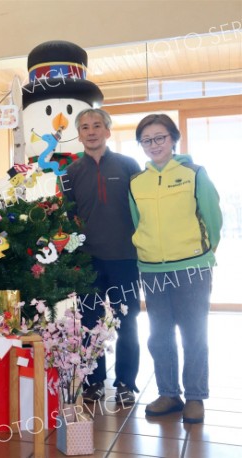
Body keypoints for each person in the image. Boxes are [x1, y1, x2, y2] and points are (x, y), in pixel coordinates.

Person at [130, 114, 222, 424]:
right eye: (147, 139)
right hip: (152, 268)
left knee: (194, 334)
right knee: (159, 336)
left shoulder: (194, 173)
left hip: (192, 267)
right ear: (141, 144)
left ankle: (195, 396)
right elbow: (136, 222)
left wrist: (203, 253)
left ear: (173, 139)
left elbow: (212, 217)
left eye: (160, 137)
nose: (154, 144)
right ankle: (169, 392)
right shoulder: (136, 182)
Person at [60, 108, 141, 405]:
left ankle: (126, 383)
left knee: (128, 321)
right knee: (89, 323)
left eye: (97, 126)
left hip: (125, 259)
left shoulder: (129, 165)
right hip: (88, 262)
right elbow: (68, 219)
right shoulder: (70, 173)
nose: (91, 131)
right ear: (79, 135)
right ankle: (94, 382)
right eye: (84, 127)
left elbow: (142, 210)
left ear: (107, 131)